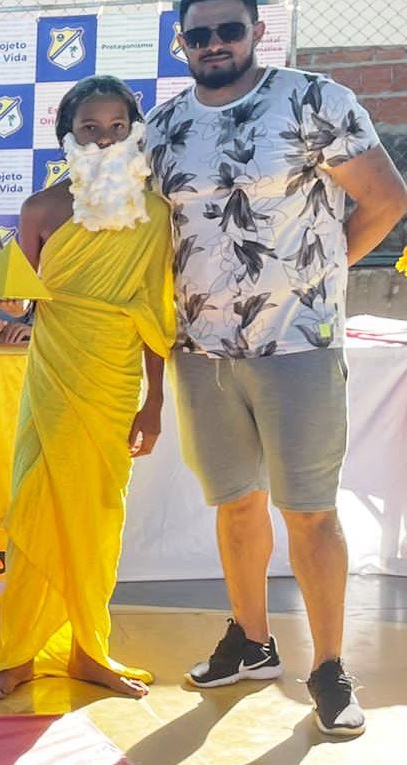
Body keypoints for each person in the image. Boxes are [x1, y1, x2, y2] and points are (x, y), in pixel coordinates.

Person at [146, 0, 407, 738]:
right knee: (236, 503)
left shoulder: (314, 99)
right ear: (181, 42)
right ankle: (251, 643)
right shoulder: (162, 127)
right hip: (201, 350)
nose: (215, 44)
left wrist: (317, 277)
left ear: (257, 32)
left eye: (230, 29)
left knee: (310, 511)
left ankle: (328, 667)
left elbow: (387, 199)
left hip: (299, 344)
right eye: (199, 34)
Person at [0, 77, 174, 701]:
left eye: (117, 127)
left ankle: (90, 650)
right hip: (52, 375)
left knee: (97, 518)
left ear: (134, 132)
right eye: (90, 127)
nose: (104, 138)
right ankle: (19, 655)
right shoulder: (39, 211)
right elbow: (17, 298)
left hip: (115, 382)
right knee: (37, 505)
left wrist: (155, 402)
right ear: (68, 135)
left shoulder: (157, 214)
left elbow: (156, 312)